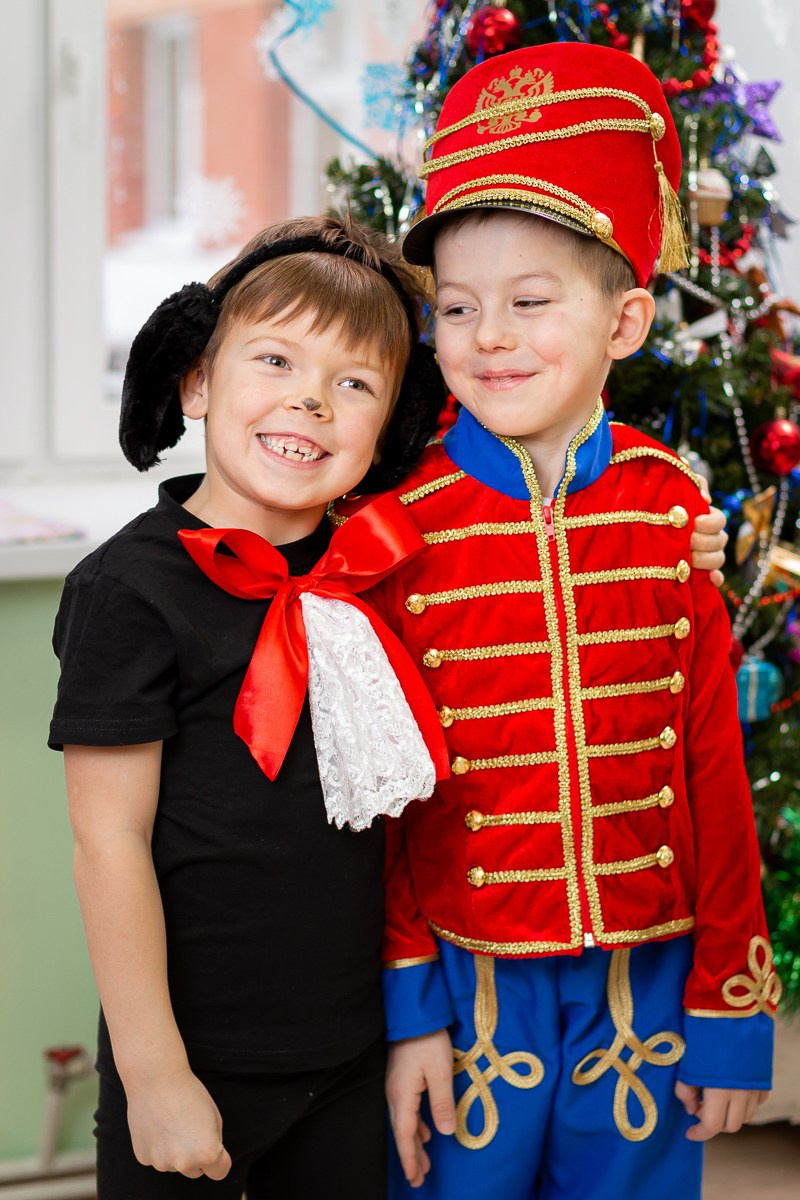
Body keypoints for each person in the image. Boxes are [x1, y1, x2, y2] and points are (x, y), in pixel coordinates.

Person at [347, 42, 779, 1200]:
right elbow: (379, 803)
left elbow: (710, 766)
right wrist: (406, 1014)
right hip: (466, 982)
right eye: (456, 307)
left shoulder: (666, 508)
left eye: (531, 303)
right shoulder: (396, 526)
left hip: (648, 977)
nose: (489, 336)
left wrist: (729, 1007)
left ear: (624, 321)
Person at [48, 214, 452, 1199]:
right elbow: (109, 845)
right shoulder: (127, 594)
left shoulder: (374, 574)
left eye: (353, 384)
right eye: (274, 360)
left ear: (386, 427)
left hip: (349, 1058)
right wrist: (153, 1079)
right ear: (196, 382)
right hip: (195, 1063)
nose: (309, 401)